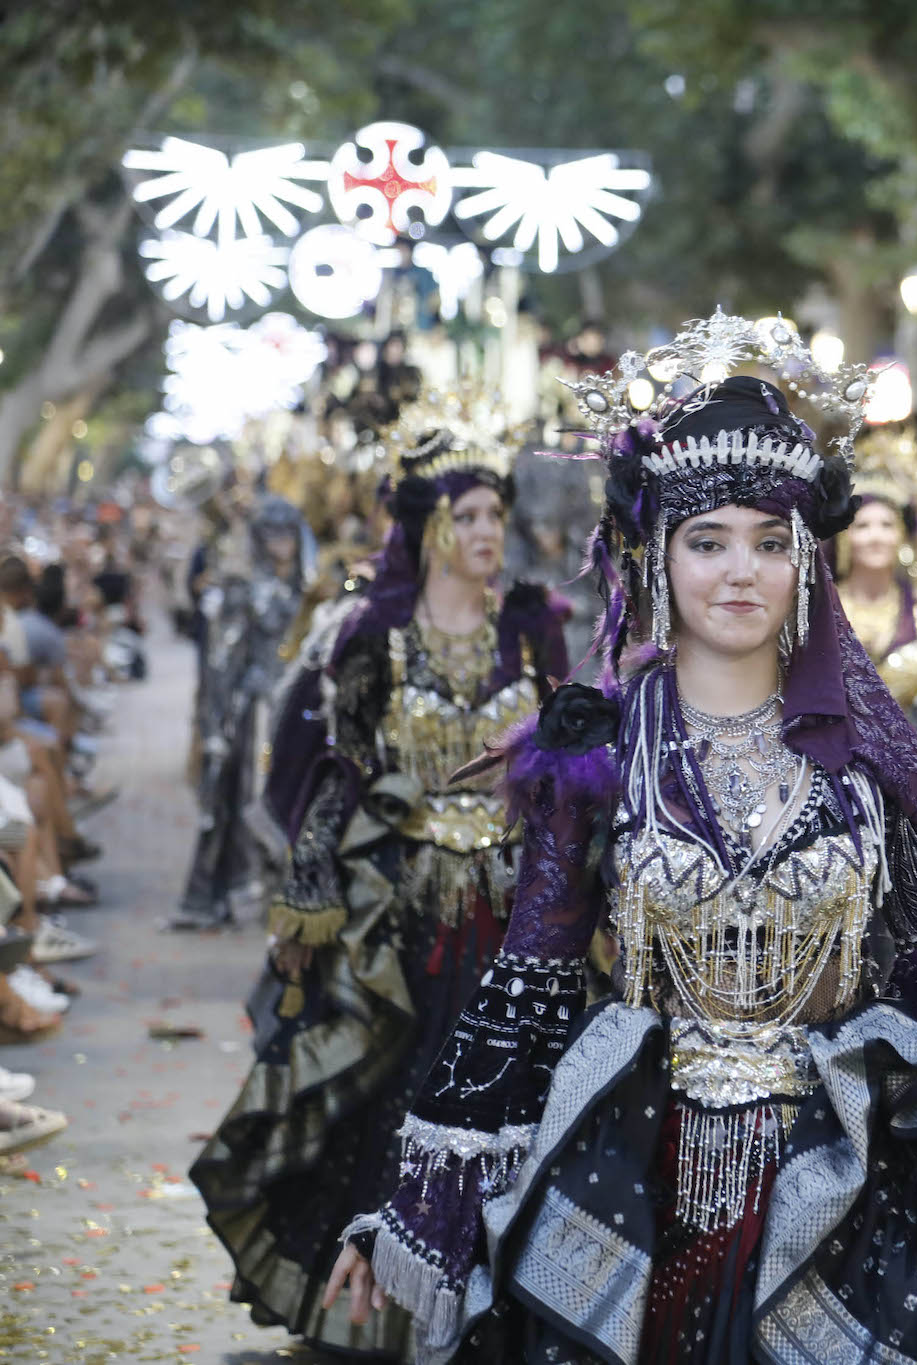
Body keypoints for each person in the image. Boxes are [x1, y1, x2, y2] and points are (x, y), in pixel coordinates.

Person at [321, 315, 917, 1365]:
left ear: (807, 558)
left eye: (769, 541)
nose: (739, 573)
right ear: (655, 555)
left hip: (845, 1173)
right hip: (638, 1168)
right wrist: (423, 1211)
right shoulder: (600, 748)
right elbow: (527, 982)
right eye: (707, 541)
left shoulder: (860, 754)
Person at [192, 388, 567, 1359]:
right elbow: (327, 776)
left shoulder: (532, 629)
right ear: (431, 526)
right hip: (400, 917)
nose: (490, 531)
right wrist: (307, 897)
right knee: (392, 1097)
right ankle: (378, 1308)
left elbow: (572, 769)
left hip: (517, 911)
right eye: (470, 515)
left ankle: (503, 1302)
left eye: (496, 513)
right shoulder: (369, 635)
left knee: (517, 1102)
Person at [167, 495, 308, 931]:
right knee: (238, 799)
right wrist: (216, 727)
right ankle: (227, 891)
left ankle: (287, 896)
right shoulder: (239, 588)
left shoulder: (312, 585)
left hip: (297, 710)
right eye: (272, 532)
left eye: (288, 532)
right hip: (253, 714)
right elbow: (222, 665)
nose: (281, 542)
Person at [836, 424, 917, 708]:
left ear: (901, 535)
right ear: (846, 537)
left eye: (886, 525)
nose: (876, 537)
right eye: (863, 526)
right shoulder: (820, 609)